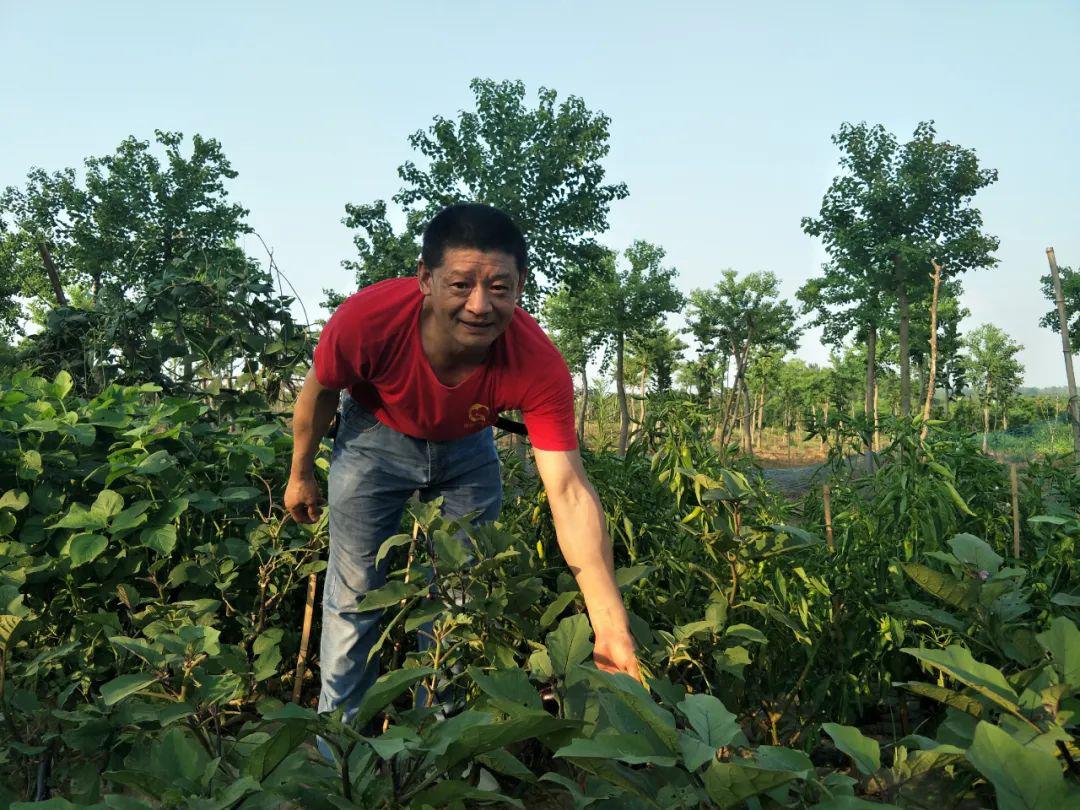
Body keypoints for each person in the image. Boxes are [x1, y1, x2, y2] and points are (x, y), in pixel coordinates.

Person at [284, 202, 640, 726]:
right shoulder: (368, 320)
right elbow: (319, 392)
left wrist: (610, 627)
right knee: (355, 595)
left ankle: (438, 747)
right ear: (425, 279)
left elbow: (568, 491)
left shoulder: (536, 362)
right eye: (460, 285)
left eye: (500, 287)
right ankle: (342, 748)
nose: (479, 305)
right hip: (372, 438)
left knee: (461, 597)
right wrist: (300, 473)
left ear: (521, 285)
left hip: (468, 450)